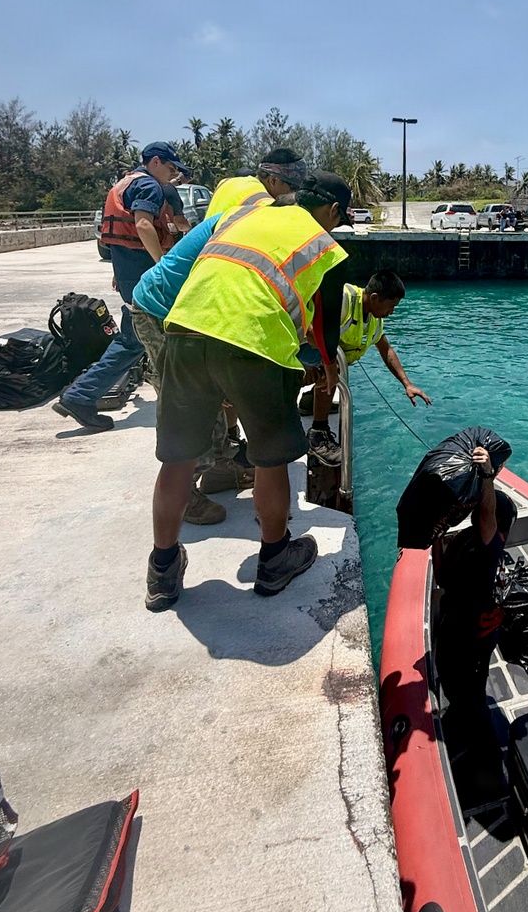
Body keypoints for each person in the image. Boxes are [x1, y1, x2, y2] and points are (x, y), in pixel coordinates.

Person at [145, 171, 353, 611]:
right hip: (253, 342)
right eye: (340, 219)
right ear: (333, 212)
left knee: (177, 458)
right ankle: (276, 558)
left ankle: (162, 570)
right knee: (269, 458)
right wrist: (322, 369)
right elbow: (324, 333)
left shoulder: (241, 217)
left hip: (184, 330)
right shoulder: (322, 243)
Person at [130, 191, 272, 525]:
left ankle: (220, 469)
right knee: (190, 402)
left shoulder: (237, 225)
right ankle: (188, 492)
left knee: (211, 391)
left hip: (187, 315)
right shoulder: (239, 236)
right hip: (160, 313)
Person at [55, 141, 182, 432]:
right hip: (143, 276)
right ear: (155, 162)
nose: (173, 174)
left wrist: (119, 271)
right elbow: (143, 226)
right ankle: (80, 396)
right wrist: (163, 264)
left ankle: (80, 395)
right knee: (140, 339)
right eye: (171, 167)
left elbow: (115, 237)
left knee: (134, 339)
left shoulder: (123, 183)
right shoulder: (149, 186)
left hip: (128, 273)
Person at [434, 447, 516, 761]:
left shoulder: (488, 546)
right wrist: (435, 540)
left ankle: (484, 751)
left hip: (472, 637)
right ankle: (465, 722)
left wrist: (487, 477)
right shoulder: (469, 542)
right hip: (456, 628)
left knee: (469, 693)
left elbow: (486, 515)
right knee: (457, 684)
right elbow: (441, 578)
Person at [304, 270, 431, 467]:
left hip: (326, 359)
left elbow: (386, 350)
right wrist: (328, 362)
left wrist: (407, 384)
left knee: (334, 368)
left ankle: (310, 401)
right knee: (330, 370)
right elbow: (311, 330)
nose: (392, 312)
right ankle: (317, 434)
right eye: (391, 306)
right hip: (302, 352)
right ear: (375, 298)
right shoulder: (343, 299)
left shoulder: (373, 317)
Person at [205, 148, 306, 218]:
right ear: (273, 180)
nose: (294, 193)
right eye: (293, 187)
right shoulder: (260, 200)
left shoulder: (226, 182)